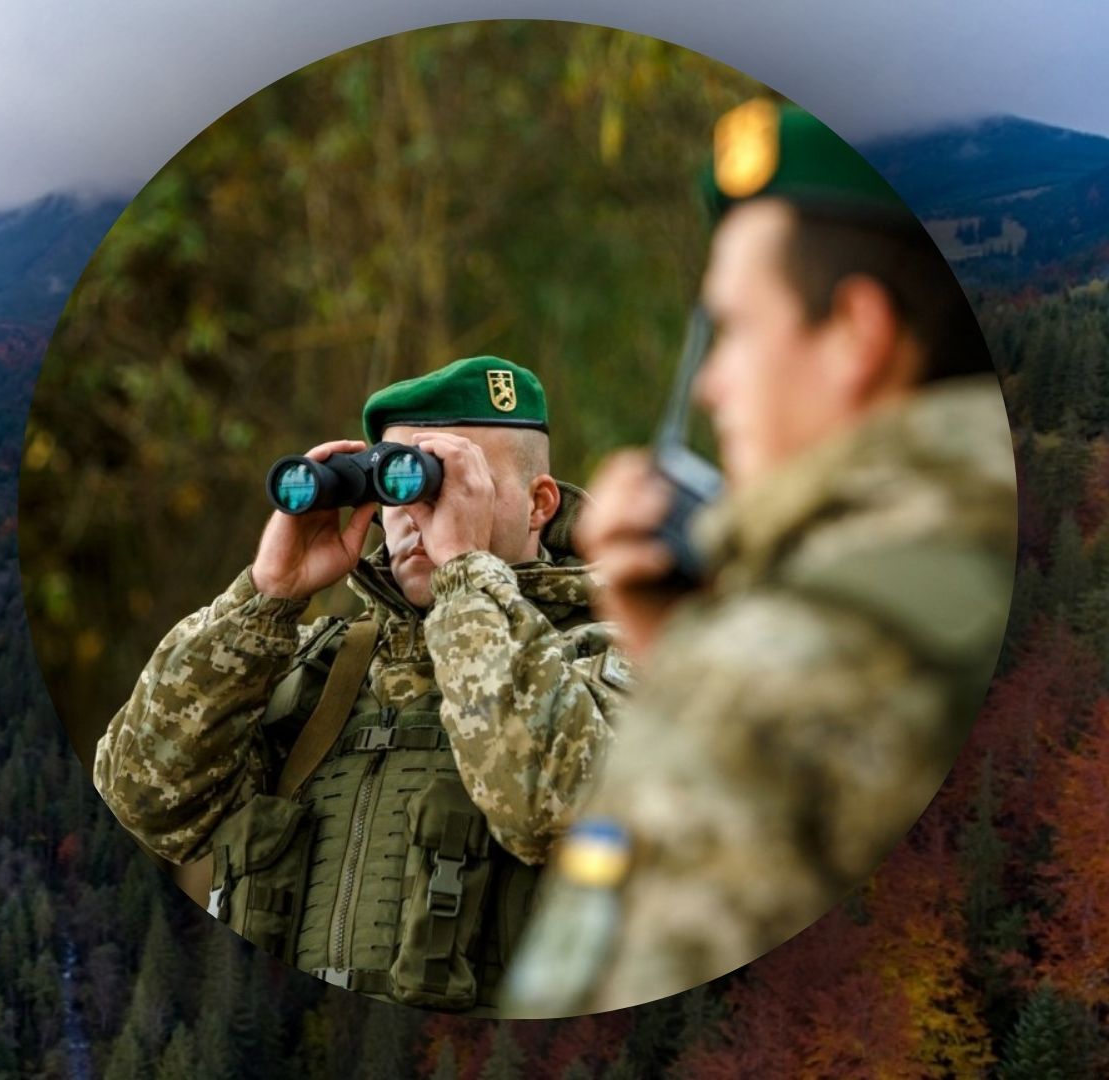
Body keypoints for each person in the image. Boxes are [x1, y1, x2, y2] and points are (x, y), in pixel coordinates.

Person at [502, 100, 1017, 1015]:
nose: (710, 382)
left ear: (856, 336)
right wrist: (685, 650)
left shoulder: (758, 690)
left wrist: (705, 691)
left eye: (733, 330)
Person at [92, 356, 633, 1012]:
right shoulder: (322, 671)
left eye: (451, 483)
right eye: (397, 487)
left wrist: (466, 571)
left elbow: (551, 812)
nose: (413, 515)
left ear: (538, 504)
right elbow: (146, 802)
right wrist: (263, 602)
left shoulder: (618, 662)